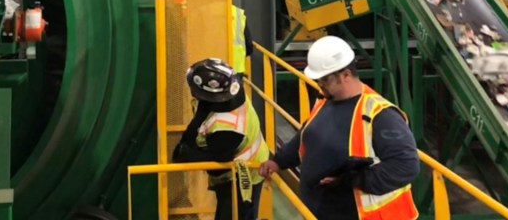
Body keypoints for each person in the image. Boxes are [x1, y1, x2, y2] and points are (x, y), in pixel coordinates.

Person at [259, 37, 420, 220]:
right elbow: (307, 136)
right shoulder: (326, 100)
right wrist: (279, 161)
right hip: (317, 211)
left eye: (325, 79)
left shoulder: (380, 115)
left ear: (346, 75)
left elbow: (406, 166)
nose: (320, 84)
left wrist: (353, 180)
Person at [174, 58, 269, 220]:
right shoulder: (232, 91)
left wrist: (187, 154)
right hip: (245, 162)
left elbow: (217, 162)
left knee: (235, 214)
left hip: (243, 175)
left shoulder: (226, 129)